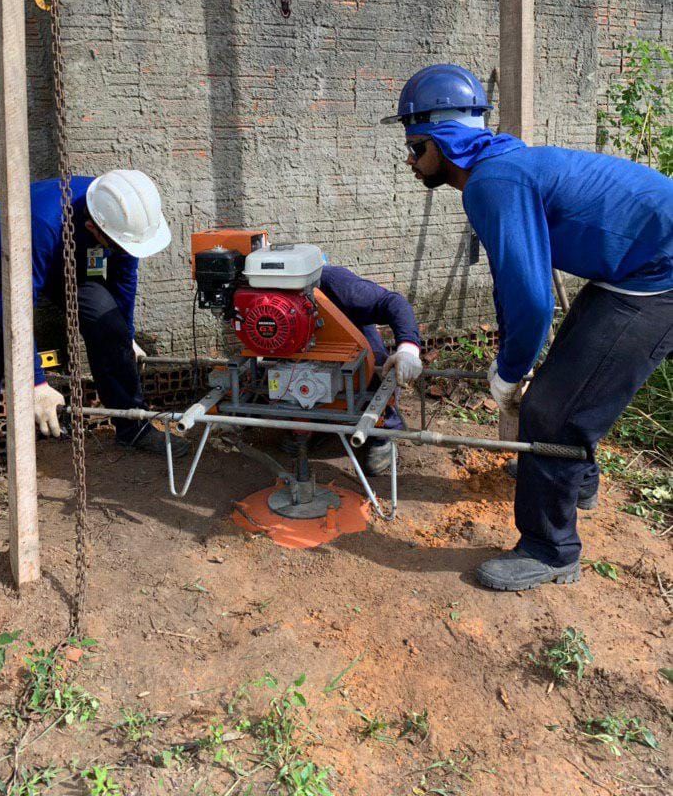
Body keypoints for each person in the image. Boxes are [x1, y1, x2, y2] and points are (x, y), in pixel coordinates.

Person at [382, 64, 673, 591]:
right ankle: (574, 482)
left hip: (659, 277)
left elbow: (534, 302)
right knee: (568, 382)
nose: (410, 160)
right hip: (635, 267)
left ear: (441, 142)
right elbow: (513, 277)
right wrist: (509, 351)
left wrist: (512, 369)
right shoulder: (502, 167)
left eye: (415, 146)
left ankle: (550, 548)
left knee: (553, 410)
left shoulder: (492, 183)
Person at [0, 170, 186, 542]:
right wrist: (34, 381)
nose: (124, 253)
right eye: (118, 246)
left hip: (67, 247)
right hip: (1, 249)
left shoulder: (123, 217)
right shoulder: (41, 223)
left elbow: (124, 282)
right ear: (94, 227)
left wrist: (125, 333)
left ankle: (132, 426)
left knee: (107, 323)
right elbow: (15, 310)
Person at [283, 263, 423, 476]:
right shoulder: (259, 293)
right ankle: (310, 423)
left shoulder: (335, 283)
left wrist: (408, 349)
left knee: (375, 374)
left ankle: (383, 433)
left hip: (352, 345)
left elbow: (394, 303)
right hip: (302, 349)